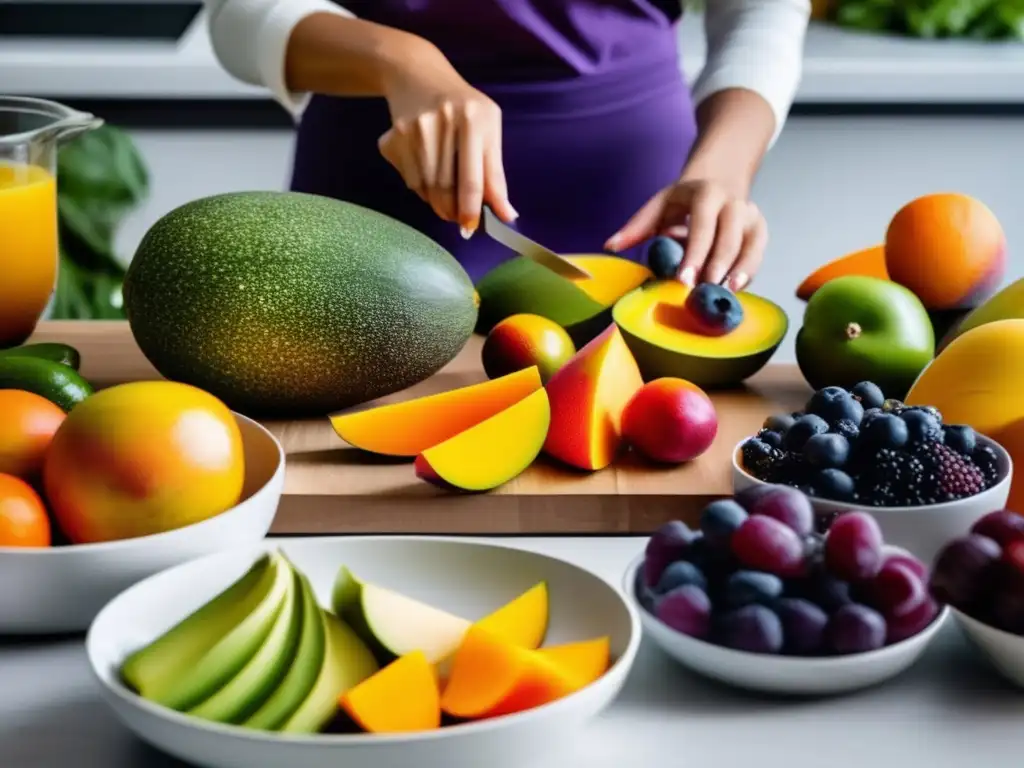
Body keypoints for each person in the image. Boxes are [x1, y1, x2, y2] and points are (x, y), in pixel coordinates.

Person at [204, 0, 809, 288]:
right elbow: (238, 15)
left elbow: (761, 12)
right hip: (370, 196)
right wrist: (401, 62)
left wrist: (724, 169)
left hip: (634, 204)